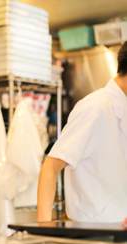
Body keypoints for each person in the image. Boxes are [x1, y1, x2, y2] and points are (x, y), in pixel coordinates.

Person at [37, 41, 127, 223]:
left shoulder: (121, 108)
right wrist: (43, 230)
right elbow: (51, 167)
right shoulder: (94, 108)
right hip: (93, 234)